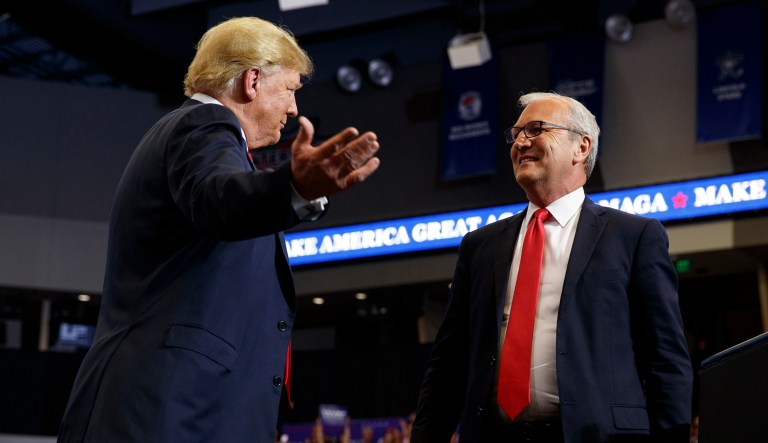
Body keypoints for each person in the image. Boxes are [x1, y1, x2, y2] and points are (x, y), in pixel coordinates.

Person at [57, 16, 380, 443]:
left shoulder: (199, 137)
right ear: (251, 81)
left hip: (180, 409)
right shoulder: (205, 126)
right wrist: (296, 187)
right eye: (290, 90)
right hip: (167, 412)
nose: (294, 108)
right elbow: (219, 197)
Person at [410, 92, 692, 442]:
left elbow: (666, 359)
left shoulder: (634, 236)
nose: (521, 142)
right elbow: (448, 364)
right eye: (515, 134)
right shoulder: (480, 246)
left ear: (582, 147)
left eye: (536, 129)